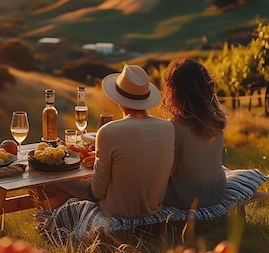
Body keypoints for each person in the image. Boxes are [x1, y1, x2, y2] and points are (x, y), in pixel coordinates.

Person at [38, 64, 175, 219]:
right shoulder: (167, 127)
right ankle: (53, 212)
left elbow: (96, 192)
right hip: (153, 209)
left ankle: (46, 217)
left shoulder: (110, 131)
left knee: (48, 175)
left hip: (117, 212)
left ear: (119, 101)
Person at [160, 57, 228, 209]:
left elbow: (169, 167)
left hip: (189, 197)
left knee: (145, 186)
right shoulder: (217, 119)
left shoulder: (177, 126)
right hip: (218, 190)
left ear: (174, 92)